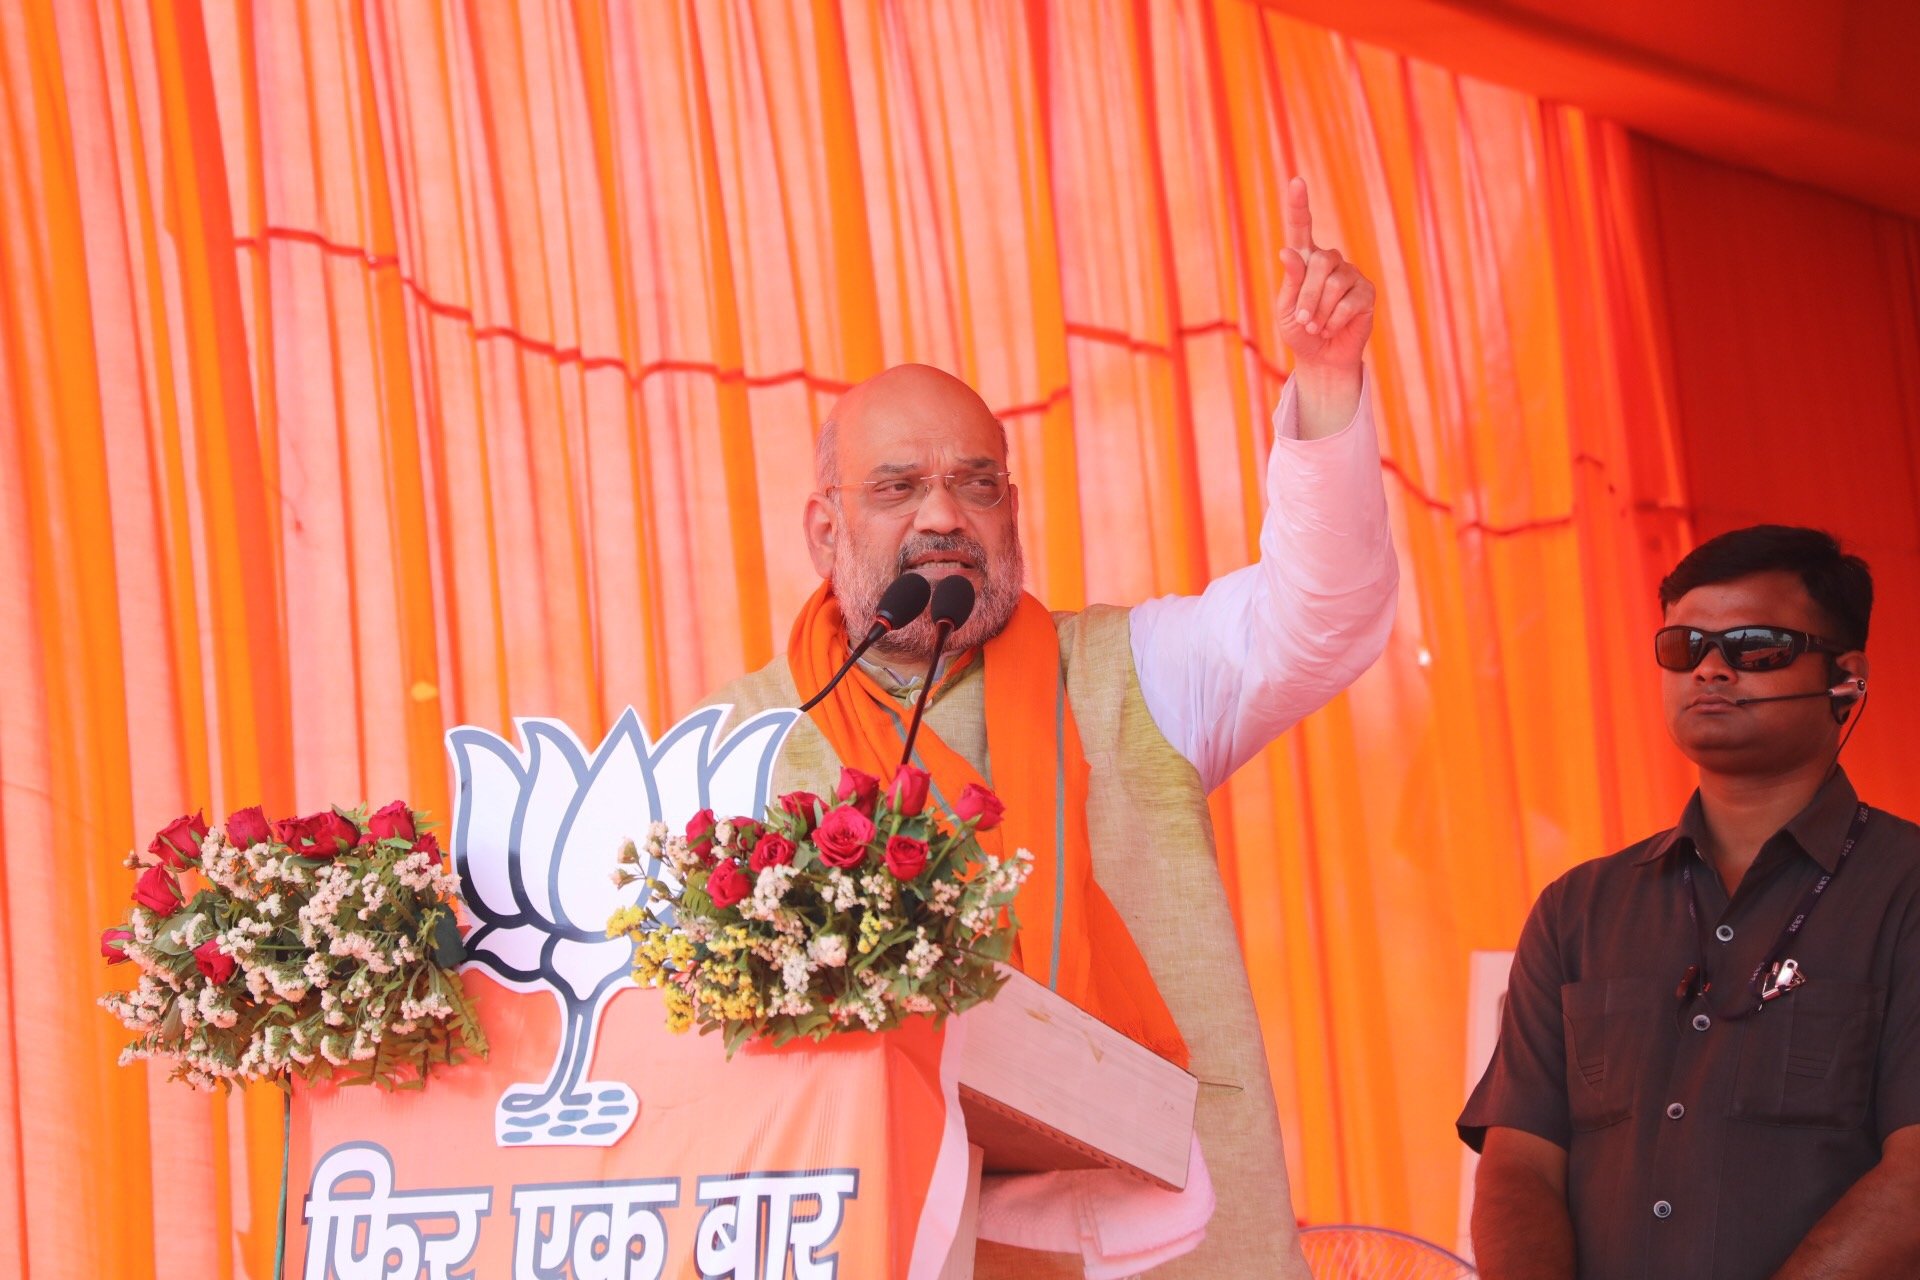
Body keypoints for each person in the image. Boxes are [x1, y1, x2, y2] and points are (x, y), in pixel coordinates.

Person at [703, 178, 1397, 1276]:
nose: (945, 515)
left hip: (1178, 1236)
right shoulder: (732, 745)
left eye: (978, 484)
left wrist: (1324, 384)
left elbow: (1323, 614)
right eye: (900, 487)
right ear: (825, 527)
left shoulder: (1132, 672)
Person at [1460, 525, 1920, 1279]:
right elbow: (1519, 1166)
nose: (1710, 670)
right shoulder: (1578, 910)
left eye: (1756, 648)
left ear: (1846, 677)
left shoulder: (1904, 890)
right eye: (1684, 647)